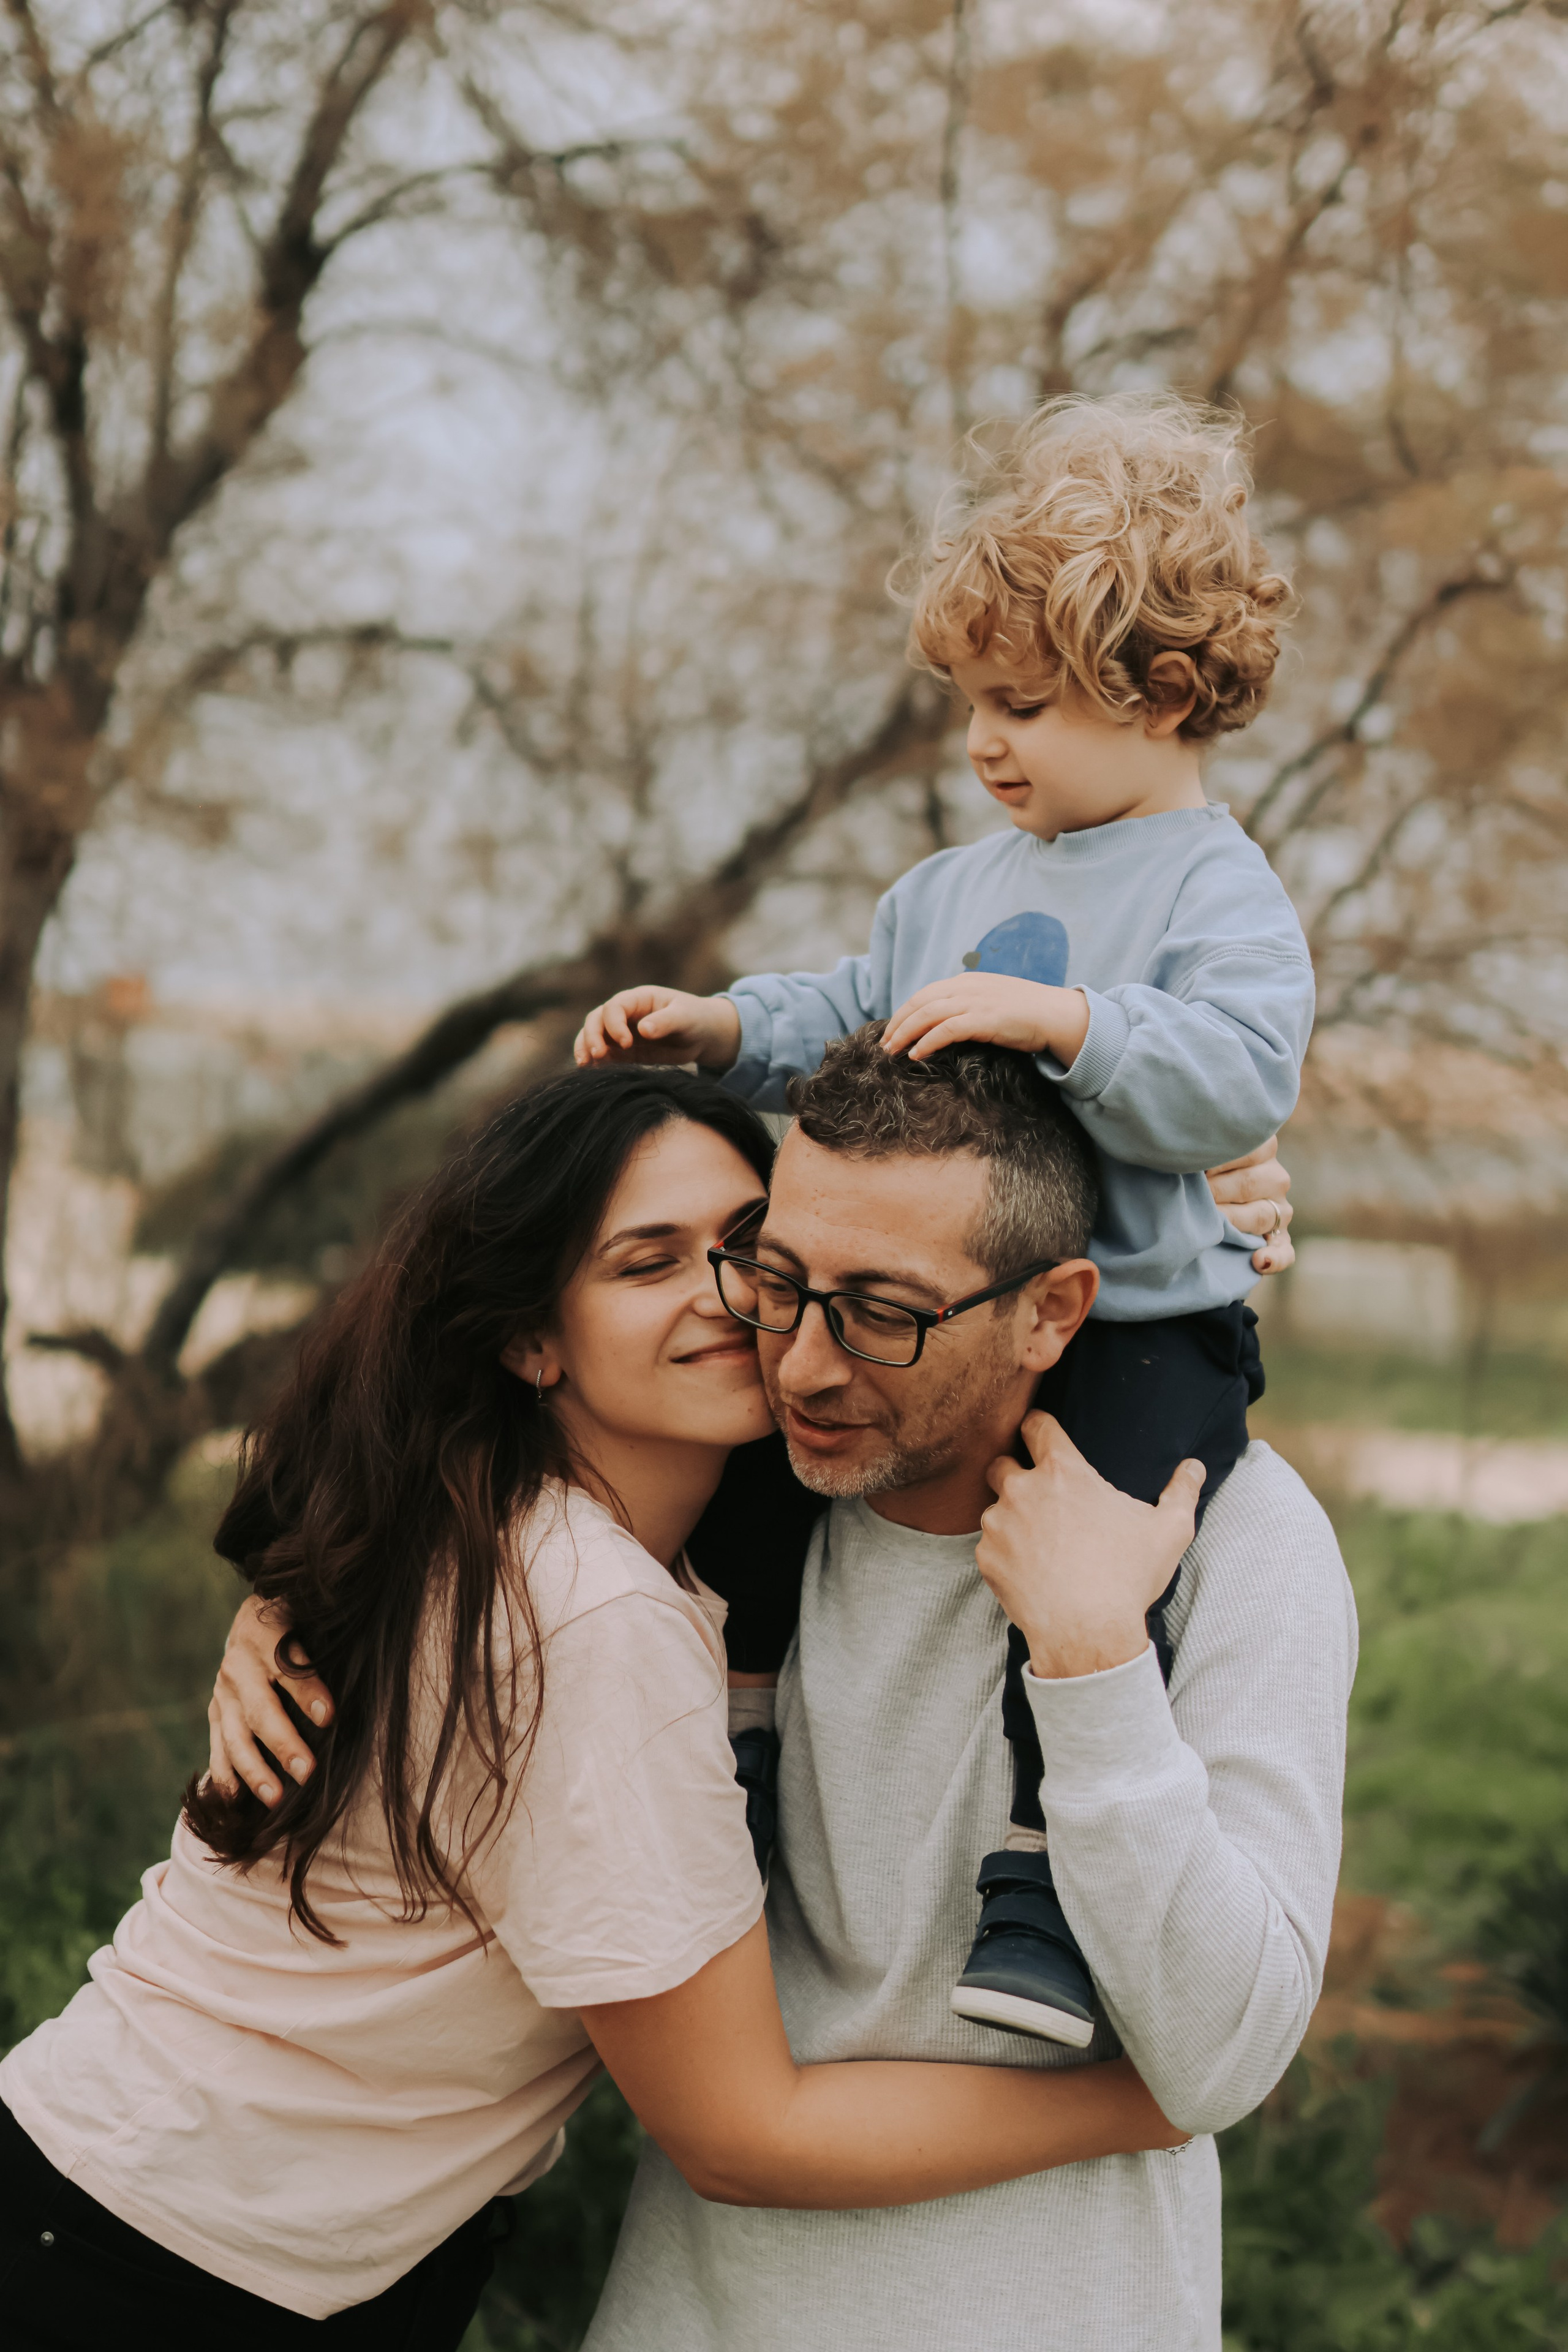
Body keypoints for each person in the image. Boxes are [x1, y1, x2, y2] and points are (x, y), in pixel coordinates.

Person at [0, 1065, 1185, 2352]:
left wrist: (1200, 1186)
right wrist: (1149, 2100)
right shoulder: (589, 1612)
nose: (725, 1300)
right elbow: (740, 2133)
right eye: (644, 1263)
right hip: (160, 2264)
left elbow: (949, 1226)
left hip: (156, 2211)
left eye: (747, 1249)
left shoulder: (489, 1522)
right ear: (530, 1338)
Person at [575, 392, 1313, 2043]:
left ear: (1168, 694)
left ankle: (1044, 1875)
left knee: (1091, 1570)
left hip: (1137, 1323)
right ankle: (746, 1738)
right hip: (933, 1314)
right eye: (976, 702)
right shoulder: (953, 888)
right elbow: (851, 1005)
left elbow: (1242, 1078)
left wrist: (1075, 1032)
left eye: (1027, 705)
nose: (988, 742)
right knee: (764, 1474)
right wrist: (718, 1025)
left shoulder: (1213, 892)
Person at [575, 1033, 1355, 2352]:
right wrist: (289, 1608)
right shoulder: (721, 1485)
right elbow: (447, 1484)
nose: (806, 1366)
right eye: (780, 1282)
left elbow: (1222, 2057)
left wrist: (1095, 1663)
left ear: (1053, 1309)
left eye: (883, 1311)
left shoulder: (1233, 1539)